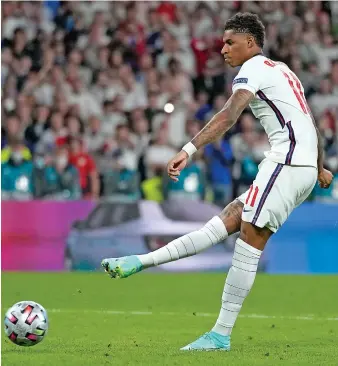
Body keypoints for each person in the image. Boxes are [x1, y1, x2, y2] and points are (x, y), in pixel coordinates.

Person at [101, 13, 334, 351]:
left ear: (250, 43)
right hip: (299, 167)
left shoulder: (252, 69)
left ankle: (220, 335)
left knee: (249, 242)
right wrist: (319, 167)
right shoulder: (283, 70)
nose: (222, 49)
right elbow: (308, 122)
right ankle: (141, 261)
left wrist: (188, 149)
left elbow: (228, 115)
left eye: (230, 42)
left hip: (286, 163)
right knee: (230, 218)